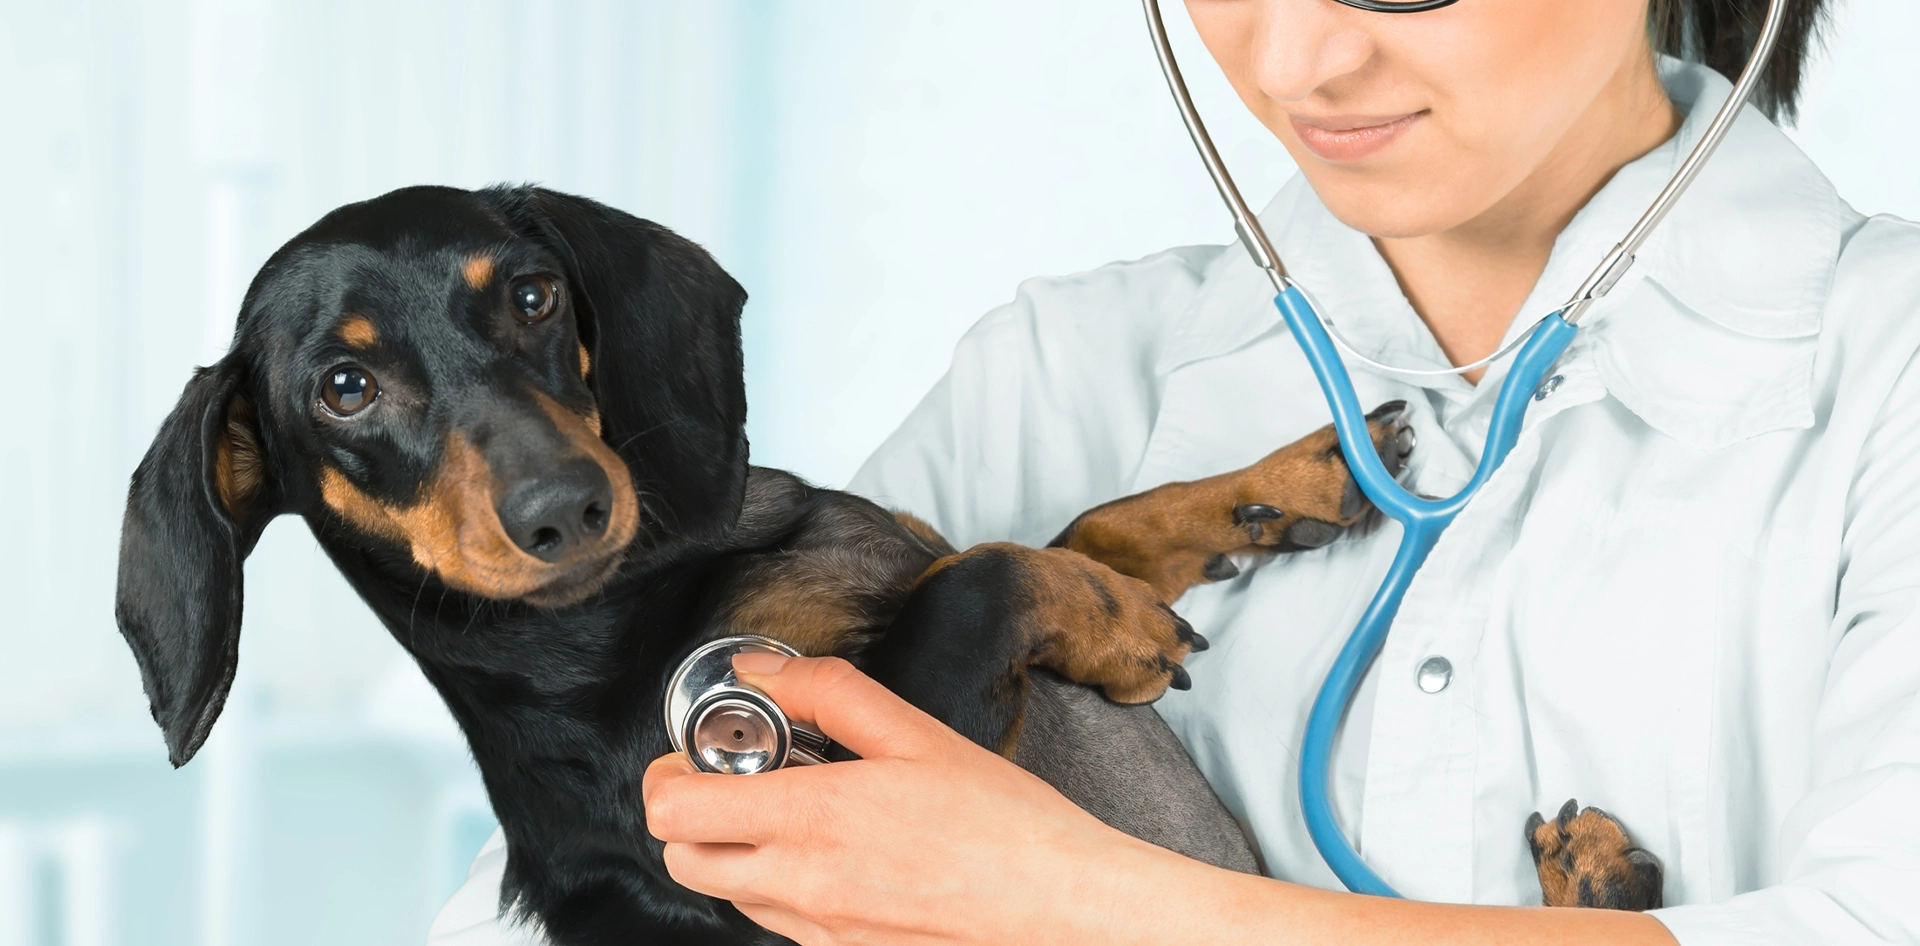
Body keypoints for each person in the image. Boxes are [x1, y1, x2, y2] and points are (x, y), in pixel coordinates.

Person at [432, 0, 1920, 942]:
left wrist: (1072, 900)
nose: (1294, 56)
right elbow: (562, 892)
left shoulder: (1883, 365)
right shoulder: (1072, 373)